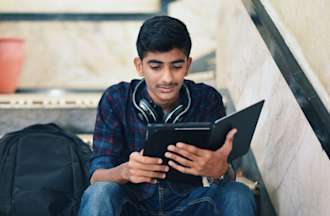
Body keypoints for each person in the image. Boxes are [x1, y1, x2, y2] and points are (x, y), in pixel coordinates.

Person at [79, 15, 256, 216]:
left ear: (188, 65)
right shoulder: (116, 99)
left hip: (190, 204)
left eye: (177, 66)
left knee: (238, 193)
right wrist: (125, 171)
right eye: (155, 67)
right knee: (101, 192)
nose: (167, 78)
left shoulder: (207, 99)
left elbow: (226, 176)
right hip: (132, 206)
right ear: (139, 66)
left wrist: (221, 171)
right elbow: (96, 177)